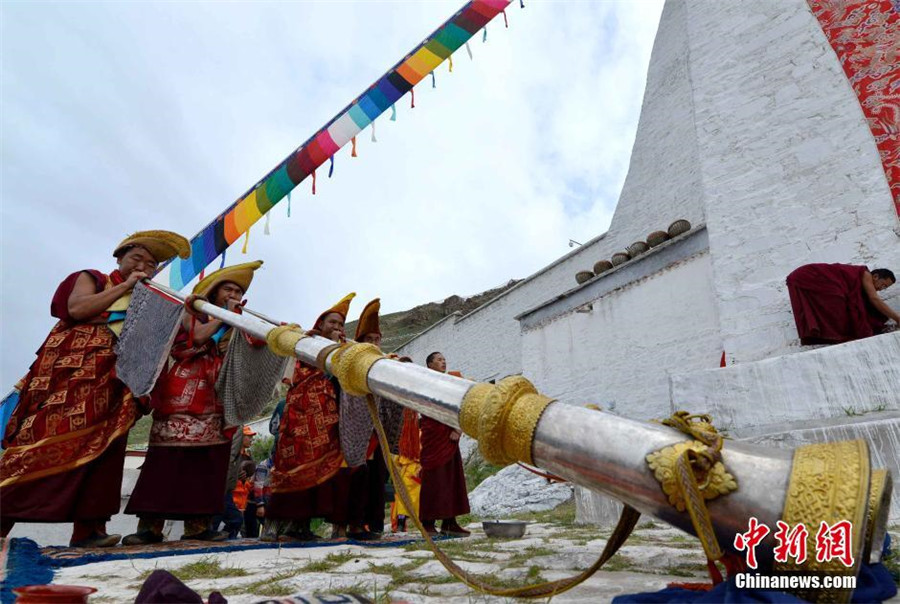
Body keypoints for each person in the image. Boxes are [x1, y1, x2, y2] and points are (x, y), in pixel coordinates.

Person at [0, 230, 191, 547]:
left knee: (106, 453)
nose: (142, 267)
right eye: (136, 259)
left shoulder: (150, 300)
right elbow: (76, 309)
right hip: (68, 380)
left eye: (151, 264)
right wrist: (127, 287)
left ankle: (90, 531)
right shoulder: (94, 278)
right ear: (120, 257)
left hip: (115, 384)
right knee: (37, 445)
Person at [123, 261, 263, 544]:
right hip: (182, 394)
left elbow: (257, 344)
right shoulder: (191, 311)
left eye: (238, 290)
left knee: (207, 465)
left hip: (218, 397)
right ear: (214, 292)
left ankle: (198, 528)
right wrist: (226, 317)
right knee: (166, 460)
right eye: (228, 288)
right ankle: (150, 528)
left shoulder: (237, 319)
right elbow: (197, 338)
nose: (233, 294)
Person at [266, 293, 355, 541]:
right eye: (332, 323)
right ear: (320, 324)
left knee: (319, 470)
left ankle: (300, 526)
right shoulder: (306, 341)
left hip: (326, 417)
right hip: (299, 413)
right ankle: (272, 524)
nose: (336, 327)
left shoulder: (343, 350)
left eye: (340, 324)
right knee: (289, 465)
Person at [418, 352, 471, 537]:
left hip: (450, 435)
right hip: (434, 434)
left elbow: (459, 405)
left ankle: (450, 522)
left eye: (444, 359)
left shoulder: (450, 383)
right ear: (429, 365)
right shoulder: (425, 382)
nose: (443, 362)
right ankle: (427, 523)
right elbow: (427, 407)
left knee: (452, 477)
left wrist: (458, 427)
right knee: (434, 478)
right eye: (439, 359)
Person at [786, 264, 898, 345]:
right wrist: (897, 318)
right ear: (876, 276)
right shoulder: (865, 274)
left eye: (885, 288)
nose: (881, 289)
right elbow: (875, 299)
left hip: (801, 277)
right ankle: (843, 336)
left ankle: (835, 337)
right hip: (810, 276)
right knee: (839, 302)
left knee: (851, 306)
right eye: (883, 285)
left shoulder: (860, 286)